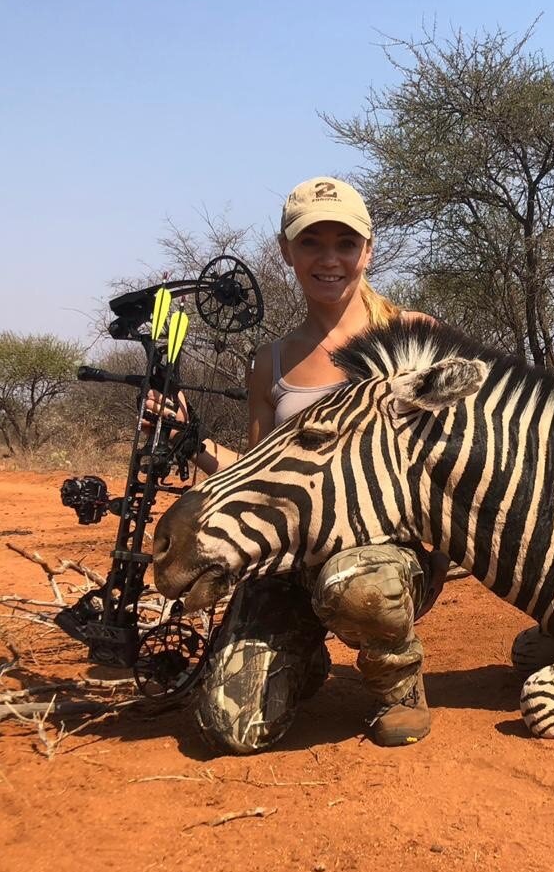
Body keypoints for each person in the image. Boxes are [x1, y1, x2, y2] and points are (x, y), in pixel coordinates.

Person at [155, 176, 445, 754]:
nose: (330, 259)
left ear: (369, 248)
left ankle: (400, 687)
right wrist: (186, 440)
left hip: (382, 551)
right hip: (287, 560)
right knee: (230, 727)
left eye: (345, 242)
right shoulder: (271, 363)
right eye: (312, 243)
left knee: (354, 583)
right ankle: (301, 654)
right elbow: (261, 476)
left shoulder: (415, 337)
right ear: (287, 251)